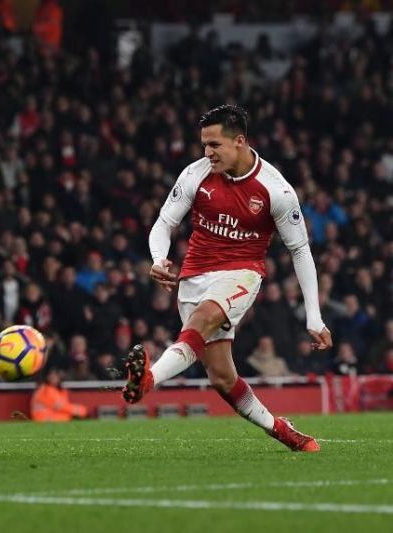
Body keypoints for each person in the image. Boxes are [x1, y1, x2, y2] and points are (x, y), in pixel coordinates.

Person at [121, 105, 332, 452]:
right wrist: (159, 258)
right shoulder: (195, 174)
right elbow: (163, 223)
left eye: (215, 145)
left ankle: (148, 380)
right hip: (193, 276)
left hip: (240, 273)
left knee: (203, 320)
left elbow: (301, 251)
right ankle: (281, 429)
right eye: (204, 145)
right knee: (221, 378)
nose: (207, 153)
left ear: (239, 141)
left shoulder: (276, 190)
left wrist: (314, 316)